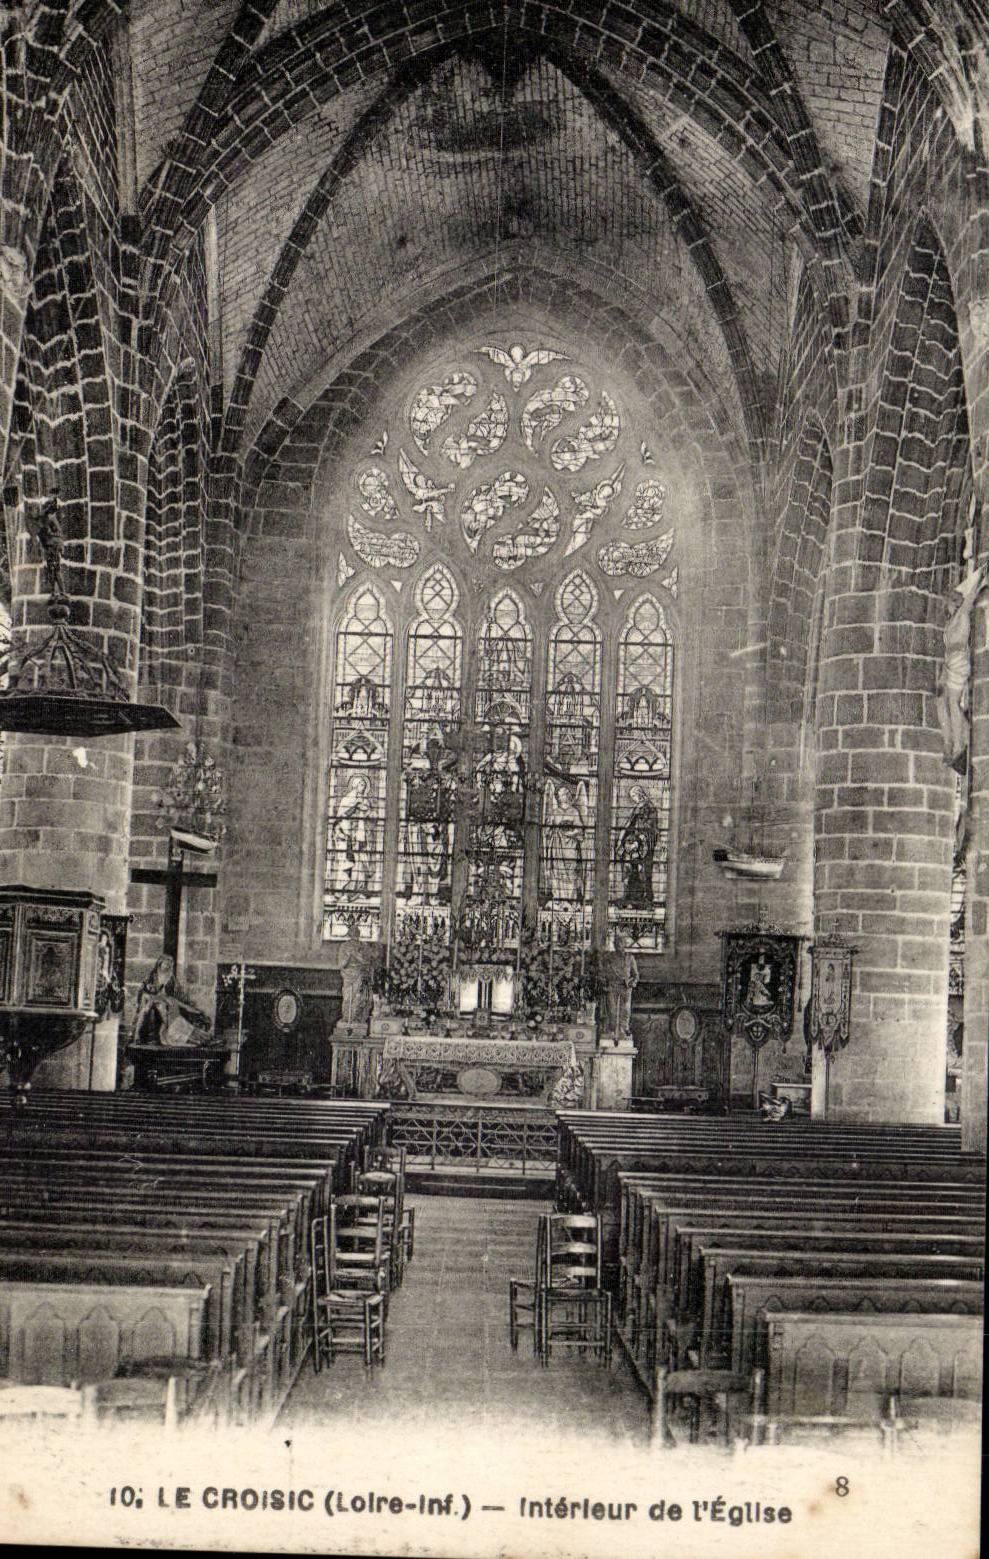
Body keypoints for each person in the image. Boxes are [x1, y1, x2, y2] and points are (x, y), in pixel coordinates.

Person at [938, 563, 987, 772]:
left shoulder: (962, 615)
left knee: (952, 701)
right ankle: (950, 742)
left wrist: (979, 580)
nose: (947, 605)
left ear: (955, 602)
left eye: (950, 601)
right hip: (950, 662)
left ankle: (959, 744)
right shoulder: (950, 623)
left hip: (959, 661)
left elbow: (970, 598)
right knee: (941, 701)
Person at [542, 780, 587, 903]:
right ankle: (558, 899)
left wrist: (570, 833)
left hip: (571, 846)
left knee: (571, 872)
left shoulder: (574, 812)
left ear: (569, 796)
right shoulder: (555, 812)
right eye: (561, 794)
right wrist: (549, 829)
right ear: (558, 797)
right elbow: (547, 830)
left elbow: (580, 829)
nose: (563, 796)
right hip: (557, 846)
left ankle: (571, 899)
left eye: (565, 794)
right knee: (557, 872)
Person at [617, 783, 659, 908]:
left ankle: (646, 899)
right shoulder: (637, 808)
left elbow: (651, 828)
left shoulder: (649, 808)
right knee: (628, 868)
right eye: (632, 797)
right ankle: (629, 895)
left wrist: (639, 841)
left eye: (634, 796)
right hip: (634, 844)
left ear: (639, 795)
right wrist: (622, 841)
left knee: (644, 872)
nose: (633, 799)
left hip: (644, 845)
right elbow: (629, 825)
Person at [332, 774, 373, 895]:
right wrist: (355, 804)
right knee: (346, 863)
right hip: (347, 836)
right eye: (361, 785)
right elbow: (341, 817)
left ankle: (358, 891)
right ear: (354, 786)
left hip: (361, 837)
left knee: (361, 863)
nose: (363, 787)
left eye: (365, 785)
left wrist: (367, 811)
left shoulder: (365, 801)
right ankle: (342, 891)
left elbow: (370, 817)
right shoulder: (346, 800)